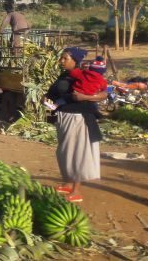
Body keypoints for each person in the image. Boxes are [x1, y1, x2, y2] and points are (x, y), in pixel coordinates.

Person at [44, 47, 106, 203]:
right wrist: (46, 100)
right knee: (64, 152)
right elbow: (54, 94)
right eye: (61, 58)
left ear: (75, 61)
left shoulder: (87, 75)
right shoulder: (64, 75)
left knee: (77, 152)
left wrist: (85, 96)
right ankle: (68, 183)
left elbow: (105, 93)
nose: (61, 61)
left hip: (79, 117)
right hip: (63, 116)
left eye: (65, 58)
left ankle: (76, 191)